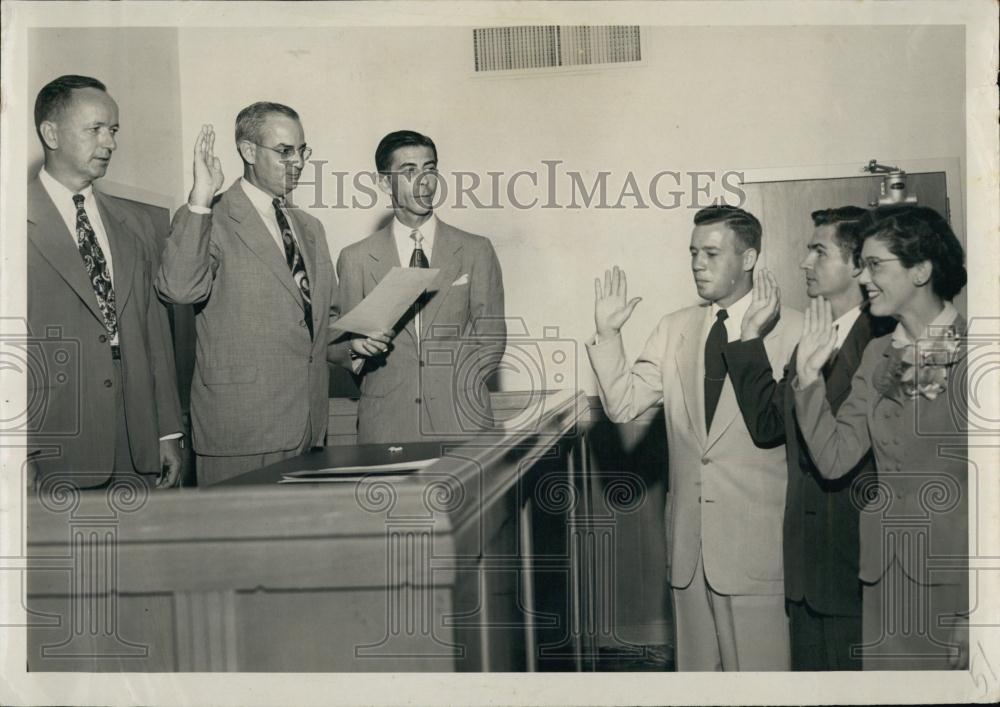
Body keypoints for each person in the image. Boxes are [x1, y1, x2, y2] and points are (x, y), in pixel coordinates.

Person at [587, 205, 802, 671]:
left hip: (758, 550)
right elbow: (623, 405)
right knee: (697, 684)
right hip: (688, 550)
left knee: (763, 683)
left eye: (710, 253)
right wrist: (607, 335)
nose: (696, 264)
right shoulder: (674, 328)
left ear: (748, 259)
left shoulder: (797, 330)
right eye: (692, 253)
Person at [792, 205, 969, 670]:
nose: (863, 277)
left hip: (952, 582)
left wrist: (979, 610)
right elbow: (833, 459)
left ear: (921, 270)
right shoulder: (878, 353)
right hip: (881, 575)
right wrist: (808, 381)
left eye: (875, 265)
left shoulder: (975, 354)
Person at [723, 206, 894, 670]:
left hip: (857, 571)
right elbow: (767, 426)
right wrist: (749, 337)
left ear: (860, 265)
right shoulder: (814, 340)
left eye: (819, 251)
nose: (805, 263)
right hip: (806, 572)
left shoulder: (884, 340)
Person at [156, 105, 360, 485]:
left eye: (302, 150)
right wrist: (201, 197)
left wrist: (357, 348)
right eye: (285, 151)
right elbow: (180, 290)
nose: (297, 161)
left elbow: (322, 325)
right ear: (248, 152)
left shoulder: (309, 228)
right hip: (242, 431)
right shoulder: (210, 218)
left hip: (310, 427)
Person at [27, 74, 183, 490]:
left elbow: (155, 335)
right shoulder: (11, 218)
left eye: (112, 130)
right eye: (95, 129)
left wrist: (167, 431)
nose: (110, 142)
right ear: (51, 133)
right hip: (55, 440)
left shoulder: (134, 223)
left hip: (136, 436)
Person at [336, 130, 506, 444]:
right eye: (409, 171)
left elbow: (492, 337)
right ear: (385, 183)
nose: (423, 182)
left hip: (463, 421)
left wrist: (457, 391)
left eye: (430, 169)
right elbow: (341, 346)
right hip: (386, 426)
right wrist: (357, 350)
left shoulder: (475, 249)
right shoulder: (355, 259)